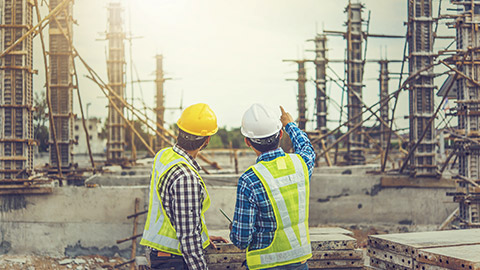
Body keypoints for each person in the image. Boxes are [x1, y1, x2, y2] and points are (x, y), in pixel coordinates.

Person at [140, 103, 228, 270]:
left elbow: (172, 210)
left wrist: (202, 237)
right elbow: (188, 239)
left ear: (179, 131)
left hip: (159, 253)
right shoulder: (186, 178)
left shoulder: (163, 156)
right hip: (174, 259)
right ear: (207, 140)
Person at [230, 104, 315, 270]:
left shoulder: (250, 180)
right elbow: (307, 148)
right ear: (280, 134)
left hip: (264, 266)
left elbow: (241, 239)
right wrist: (290, 124)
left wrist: (234, 229)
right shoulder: (301, 164)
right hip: (299, 263)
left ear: (247, 141)